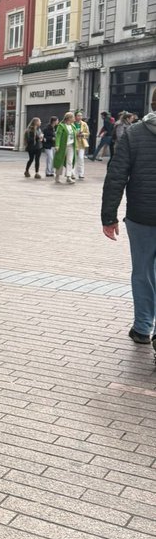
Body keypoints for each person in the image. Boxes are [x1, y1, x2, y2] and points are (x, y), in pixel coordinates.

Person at [101, 86, 156, 345]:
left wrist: (108, 216)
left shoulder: (134, 134)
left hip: (141, 216)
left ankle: (143, 327)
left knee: (142, 271)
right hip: (141, 215)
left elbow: (116, 176)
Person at [53, 111, 76, 184]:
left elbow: (74, 136)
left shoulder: (73, 126)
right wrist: (57, 145)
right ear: (69, 118)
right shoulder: (61, 126)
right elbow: (58, 136)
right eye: (73, 117)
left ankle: (68, 177)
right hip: (63, 146)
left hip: (71, 146)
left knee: (70, 161)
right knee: (60, 160)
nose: (74, 119)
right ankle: (57, 176)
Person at [73, 111, 89, 180]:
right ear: (75, 116)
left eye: (81, 116)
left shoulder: (84, 124)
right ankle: (72, 173)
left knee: (81, 158)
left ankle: (81, 173)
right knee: (73, 159)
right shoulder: (72, 123)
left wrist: (83, 134)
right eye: (78, 116)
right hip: (74, 143)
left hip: (81, 143)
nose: (80, 117)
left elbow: (87, 133)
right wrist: (76, 134)